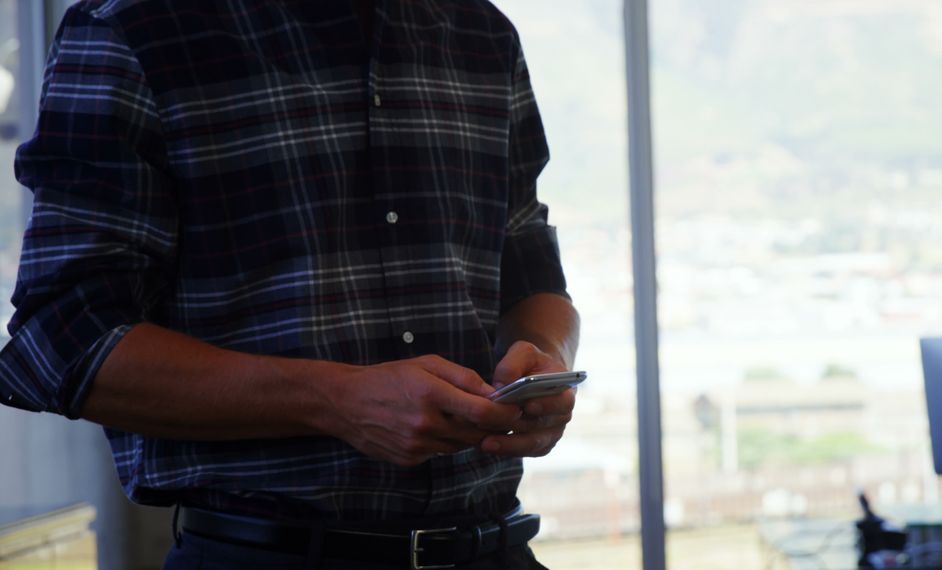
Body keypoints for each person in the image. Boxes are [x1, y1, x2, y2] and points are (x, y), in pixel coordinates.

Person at [0, 0, 580, 568]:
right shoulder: (134, 28)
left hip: (495, 546)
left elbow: (528, 263)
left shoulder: (482, 31)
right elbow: (64, 340)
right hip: (262, 555)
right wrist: (333, 400)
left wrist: (546, 361)